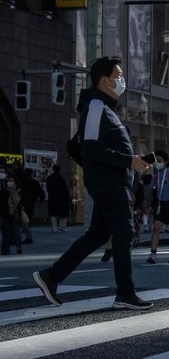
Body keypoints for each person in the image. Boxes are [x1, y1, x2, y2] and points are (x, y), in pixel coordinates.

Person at [33, 56, 154, 310]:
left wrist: (132, 161)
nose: (122, 79)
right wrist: (129, 161)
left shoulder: (105, 107)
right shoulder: (97, 106)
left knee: (99, 234)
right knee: (123, 232)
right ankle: (125, 293)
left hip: (110, 180)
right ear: (104, 80)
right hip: (108, 182)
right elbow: (90, 149)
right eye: (118, 75)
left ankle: (51, 276)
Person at [1, 173, 24, 255]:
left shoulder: (19, 192)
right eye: (8, 181)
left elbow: (21, 201)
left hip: (16, 214)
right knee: (6, 233)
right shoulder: (4, 192)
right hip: (6, 214)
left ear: (15, 182)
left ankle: (18, 247)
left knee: (16, 232)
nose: (9, 183)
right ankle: (5, 249)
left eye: (11, 181)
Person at [46, 165, 71, 233]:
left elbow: (48, 189)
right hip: (61, 198)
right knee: (63, 212)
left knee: (53, 213)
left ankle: (54, 227)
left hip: (52, 197)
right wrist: (67, 197)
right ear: (59, 170)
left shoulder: (49, 178)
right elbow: (65, 189)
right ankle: (62, 226)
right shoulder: (61, 178)